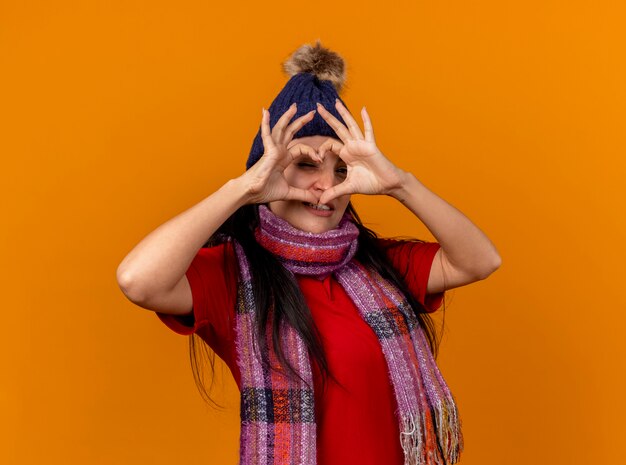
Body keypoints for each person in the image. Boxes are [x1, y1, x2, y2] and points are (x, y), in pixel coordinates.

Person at [117, 41, 501, 465]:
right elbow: (137, 280)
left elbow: (480, 260)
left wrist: (399, 184)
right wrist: (244, 189)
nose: (325, 186)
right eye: (306, 164)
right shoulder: (231, 278)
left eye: (341, 170)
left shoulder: (382, 266)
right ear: (269, 168)